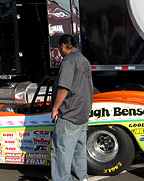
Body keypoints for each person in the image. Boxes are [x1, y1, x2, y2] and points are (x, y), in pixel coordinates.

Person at [51, 34, 93, 181]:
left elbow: (63, 89)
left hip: (69, 112)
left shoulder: (69, 61)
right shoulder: (84, 60)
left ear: (63, 45)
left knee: (61, 150)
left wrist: (55, 108)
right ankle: (82, 177)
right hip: (83, 112)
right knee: (79, 150)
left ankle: (62, 179)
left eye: (58, 48)